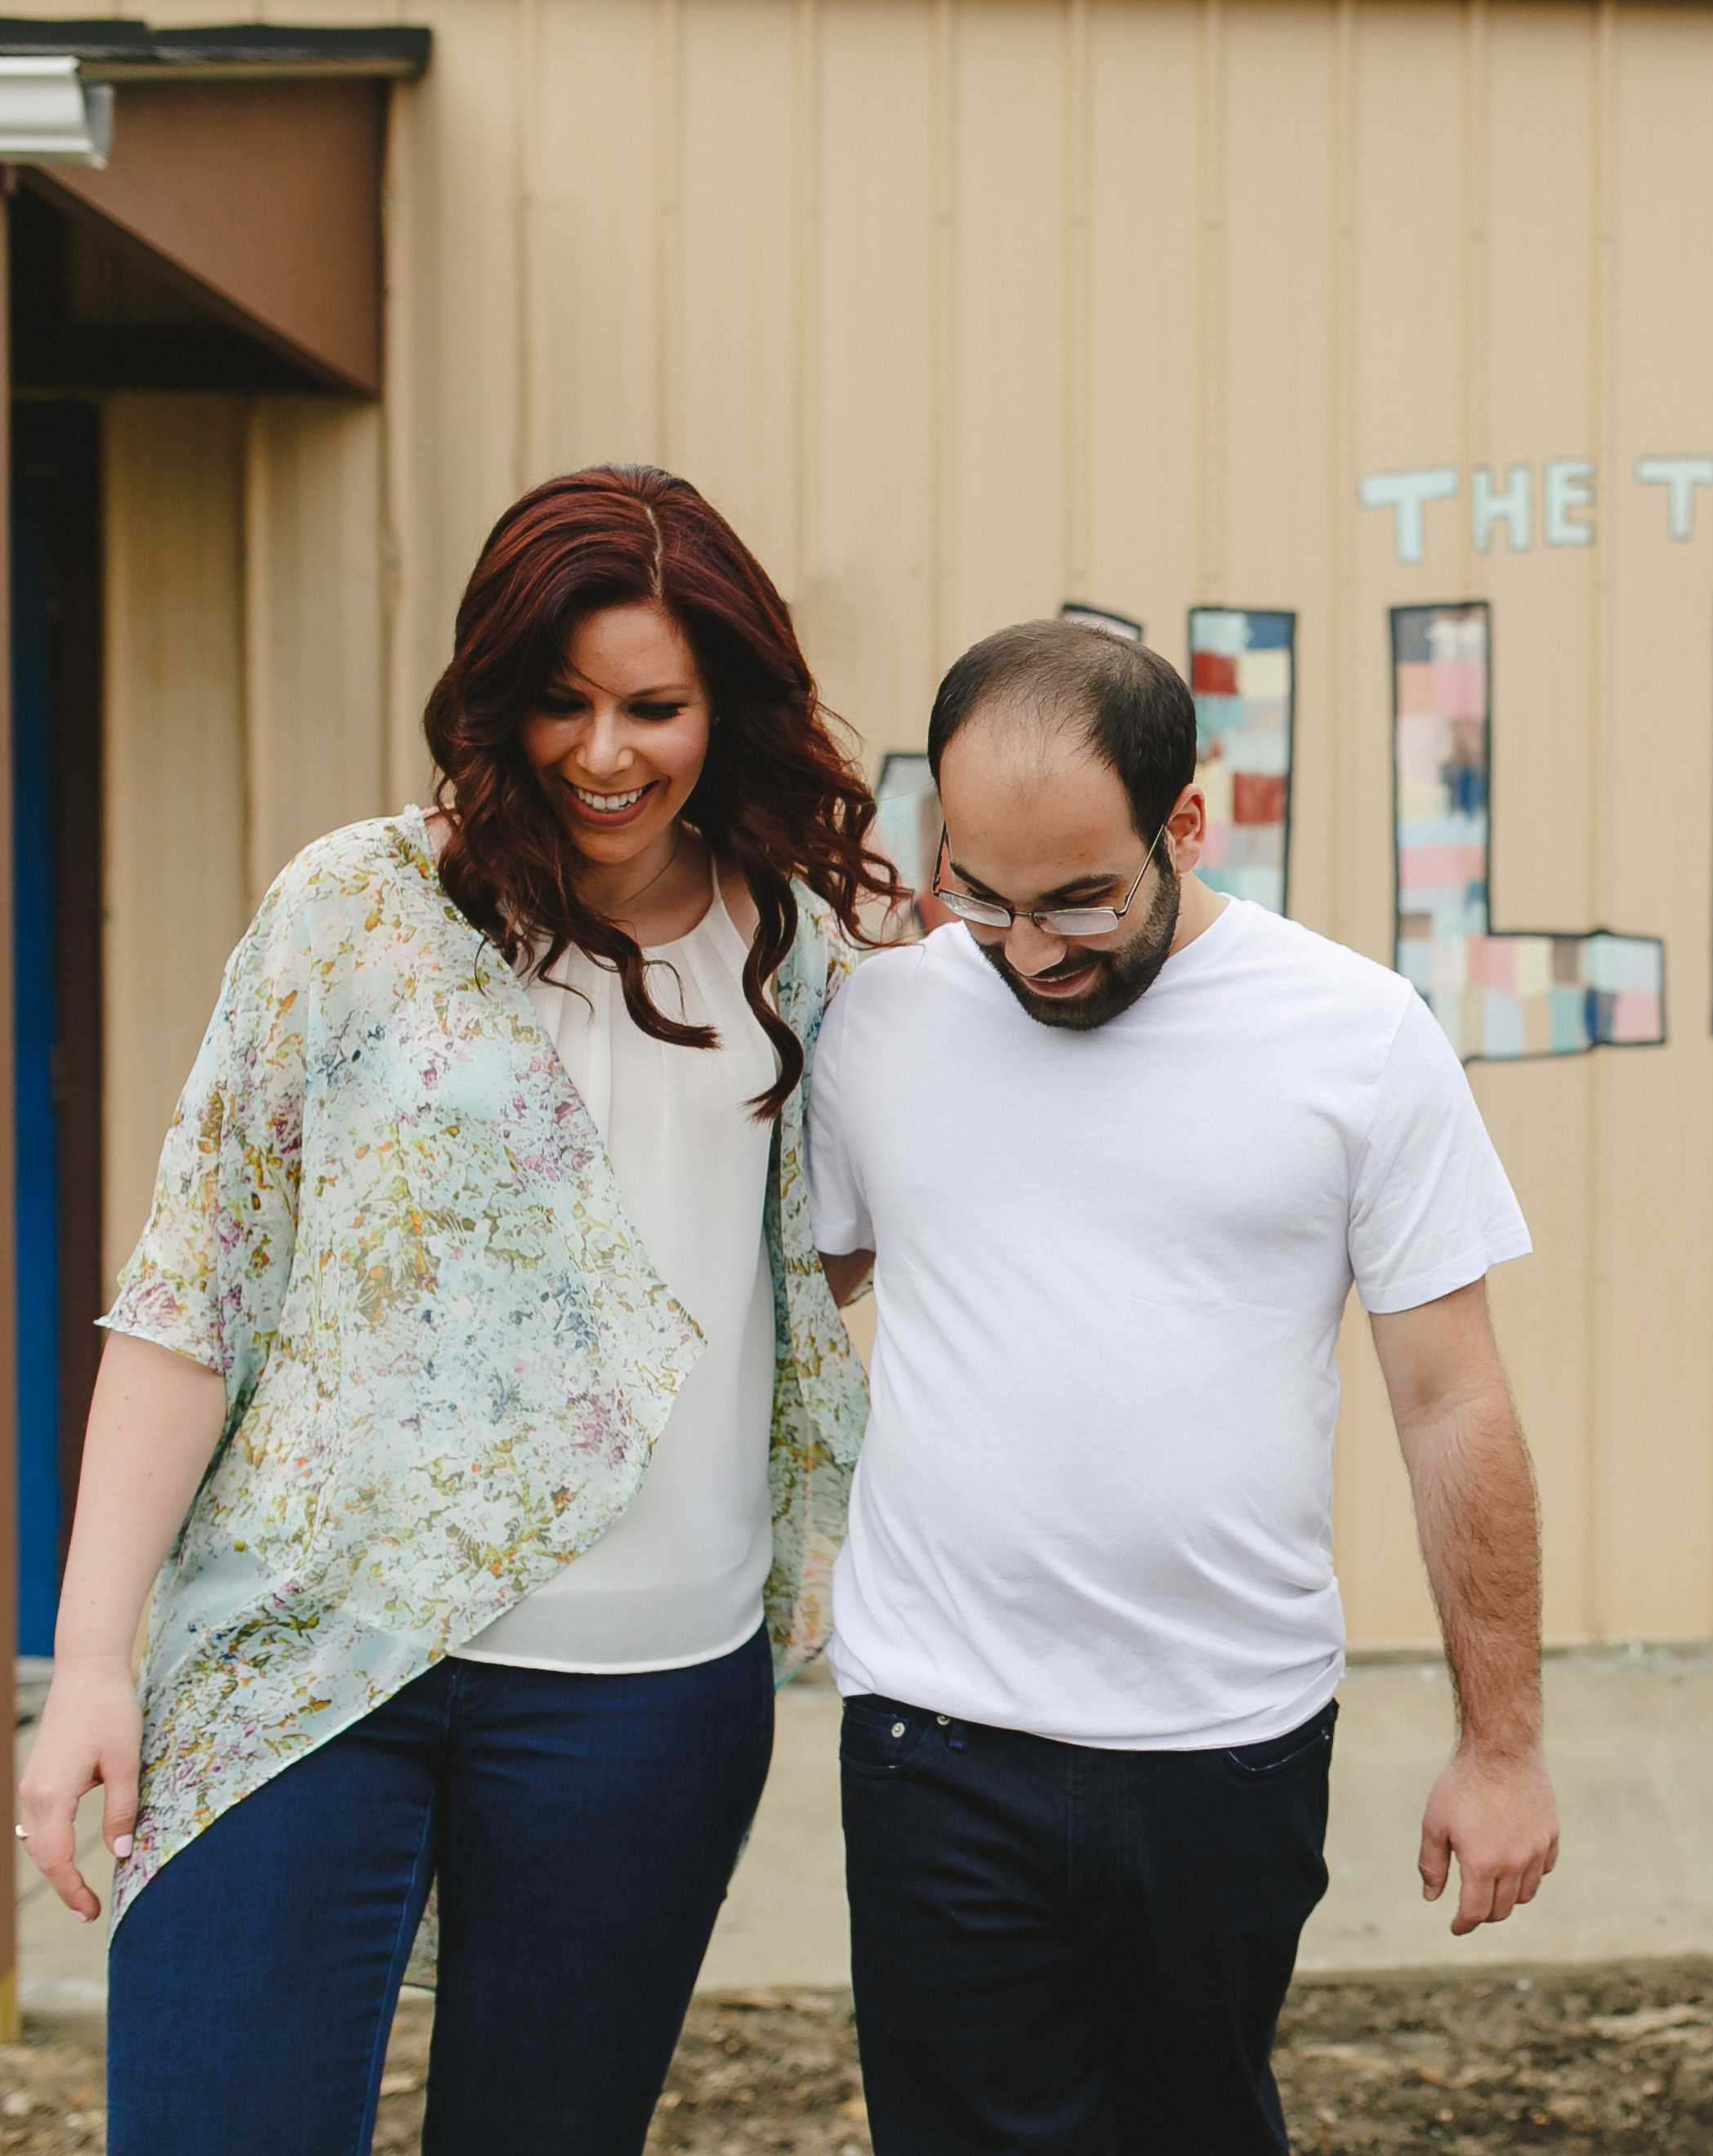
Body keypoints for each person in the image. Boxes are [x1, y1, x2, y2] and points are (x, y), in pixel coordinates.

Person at [13, 466, 897, 2154]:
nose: (604, 750)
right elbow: (194, 1283)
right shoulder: (353, 911)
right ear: (497, 693)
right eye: (559, 702)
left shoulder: (800, 955)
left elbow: (838, 1258)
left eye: (655, 705)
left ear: (729, 701)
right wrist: (96, 1664)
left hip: (642, 1697)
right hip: (304, 1651)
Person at [807, 621, 1559, 2156]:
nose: (1029, 953)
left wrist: (1502, 1745)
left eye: (1081, 899)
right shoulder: (882, 1025)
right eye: (987, 900)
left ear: (1188, 825)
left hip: (1226, 1743)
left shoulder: (1355, 1038)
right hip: (932, 1741)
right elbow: (789, 1300)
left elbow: (1452, 1404)